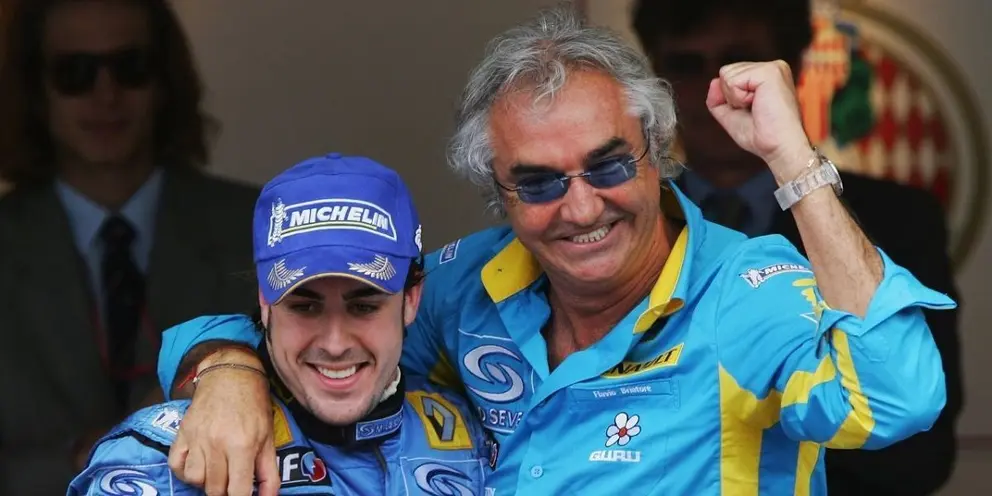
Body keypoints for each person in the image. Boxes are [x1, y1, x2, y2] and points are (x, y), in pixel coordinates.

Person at [150, 5, 954, 495]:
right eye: (535, 182)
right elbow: (321, 336)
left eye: (607, 165)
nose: (579, 208)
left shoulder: (747, 290)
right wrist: (228, 372)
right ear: (497, 192)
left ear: (658, 150)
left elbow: (899, 399)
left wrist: (793, 162)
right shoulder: (465, 284)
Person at [630, 1, 963, 494]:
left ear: (791, 69)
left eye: (735, 62)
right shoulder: (621, 220)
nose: (710, 90)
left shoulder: (899, 217)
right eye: (684, 65)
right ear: (657, 78)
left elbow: (919, 449)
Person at [67, 154, 495, 495]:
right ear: (264, 302)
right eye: (305, 307)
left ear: (412, 300)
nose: (334, 343)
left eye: (364, 307)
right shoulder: (160, 459)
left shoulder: (474, 440)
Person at [0, 0, 258, 493]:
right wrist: (92, 452)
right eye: (74, 73)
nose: (107, 93)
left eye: (131, 67)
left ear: (165, 80)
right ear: (35, 90)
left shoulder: (257, 225)